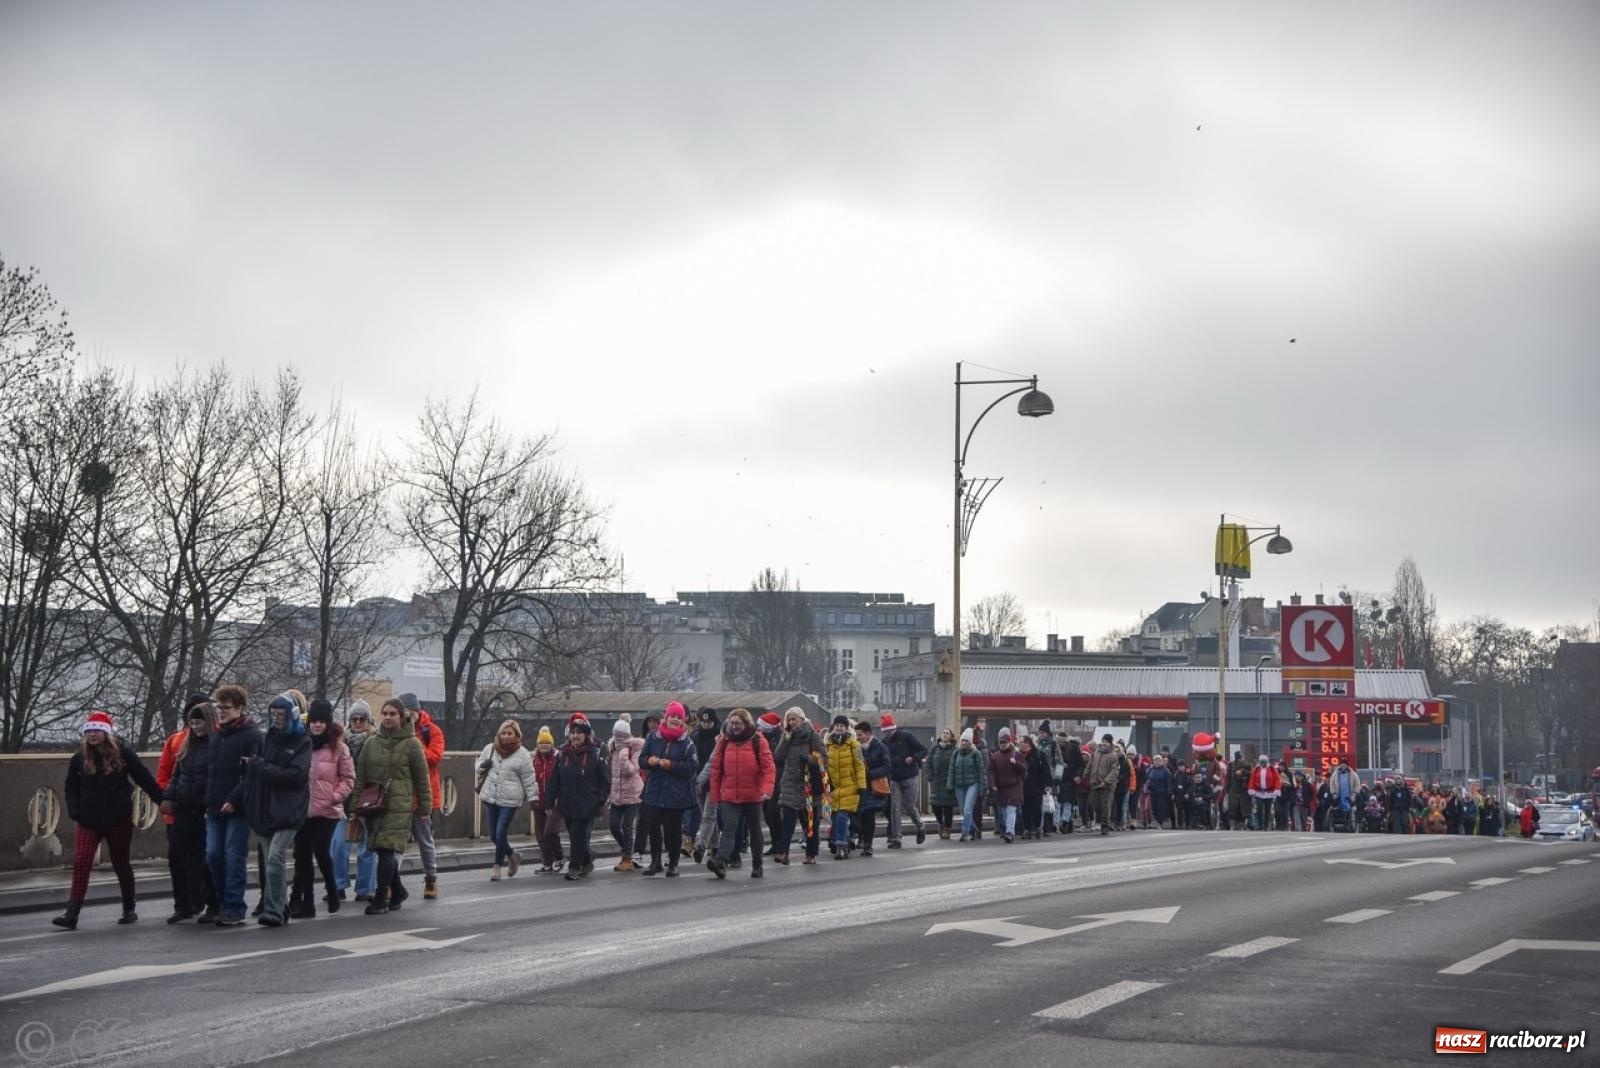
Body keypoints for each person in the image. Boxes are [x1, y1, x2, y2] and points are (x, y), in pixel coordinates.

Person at [52, 711, 164, 930]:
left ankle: (129, 908)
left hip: (118, 818)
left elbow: (143, 778)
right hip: (88, 819)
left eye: (97, 731)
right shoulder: (79, 758)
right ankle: (72, 913)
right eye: (89, 731)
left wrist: (162, 801)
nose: (92, 735)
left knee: (120, 863)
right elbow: (71, 787)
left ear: (106, 733)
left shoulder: (123, 754)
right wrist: (74, 810)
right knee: (81, 862)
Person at [242, 692, 312, 927]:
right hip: (265, 808)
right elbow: (253, 774)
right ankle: (279, 907)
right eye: (273, 715)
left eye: (280, 715)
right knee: (270, 861)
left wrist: (261, 767)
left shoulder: (303, 742)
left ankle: (274, 908)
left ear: (291, 716)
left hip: (289, 809)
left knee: (275, 857)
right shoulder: (266, 739)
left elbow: (296, 776)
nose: (276, 720)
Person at [357, 697, 431, 914]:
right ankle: (398, 891)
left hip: (399, 805)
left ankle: (381, 898)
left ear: (402, 717)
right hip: (374, 805)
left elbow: (422, 779)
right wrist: (355, 807)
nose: (388, 718)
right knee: (380, 849)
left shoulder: (412, 744)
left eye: (393, 714)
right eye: (385, 713)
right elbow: (361, 777)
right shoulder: (371, 742)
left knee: (387, 849)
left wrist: (425, 808)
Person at [204, 684, 262, 926]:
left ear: (240, 708)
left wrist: (234, 799)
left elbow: (251, 774)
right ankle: (221, 901)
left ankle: (235, 906)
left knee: (233, 856)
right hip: (215, 806)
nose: (221, 712)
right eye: (219, 707)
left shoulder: (251, 735)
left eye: (226, 708)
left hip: (238, 808)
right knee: (213, 855)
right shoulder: (217, 735)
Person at [290, 699, 354, 917]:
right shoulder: (302, 744)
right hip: (303, 808)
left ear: (327, 723)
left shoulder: (340, 748)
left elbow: (348, 779)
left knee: (321, 851)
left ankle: (333, 890)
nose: (317, 725)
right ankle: (308, 902)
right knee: (303, 856)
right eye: (313, 721)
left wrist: (335, 797)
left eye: (321, 722)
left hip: (327, 810)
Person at [160, 699, 217, 923]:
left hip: (204, 808)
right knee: (176, 856)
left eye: (200, 722)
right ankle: (182, 904)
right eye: (193, 722)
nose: (195, 727)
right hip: (183, 806)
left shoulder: (215, 745)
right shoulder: (186, 745)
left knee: (205, 858)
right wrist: (168, 797)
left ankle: (213, 902)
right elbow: (176, 774)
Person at [706, 708, 776, 879]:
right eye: (732, 723)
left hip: (753, 794)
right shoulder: (724, 742)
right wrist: (716, 795)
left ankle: (757, 864)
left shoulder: (758, 740)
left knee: (754, 830)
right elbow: (716, 770)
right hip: (730, 794)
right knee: (728, 827)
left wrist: (767, 789)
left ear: (746, 724)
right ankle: (721, 861)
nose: (735, 726)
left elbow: (769, 768)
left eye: (738, 723)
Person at [546, 716, 610, 882]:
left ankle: (574, 867)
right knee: (574, 834)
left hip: (587, 802)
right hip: (567, 801)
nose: (575, 736)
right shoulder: (562, 755)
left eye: (579, 733)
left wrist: (600, 799)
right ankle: (587, 860)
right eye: (573, 733)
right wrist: (550, 800)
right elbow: (555, 780)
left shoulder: (595, 754)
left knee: (578, 834)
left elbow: (605, 781)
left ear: (586, 735)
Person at [639, 703, 698, 876]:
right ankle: (655, 861)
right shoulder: (653, 737)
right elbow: (641, 759)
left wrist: (671, 765)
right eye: (673, 716)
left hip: (676, 792)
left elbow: (691, 766)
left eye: (679, 718)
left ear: (683, 720)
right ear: (666, 717)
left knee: (673, 829)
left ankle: (673, 862)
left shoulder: (687, 742)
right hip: (655, 789)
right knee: (653, 826)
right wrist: (648, 761)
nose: (675, 720)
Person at [399, 693, 446, 900]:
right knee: (396, 841)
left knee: (425, 840)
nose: (410, 716)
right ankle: (391, 879)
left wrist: (413, 750)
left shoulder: (431, 731)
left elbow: (434, 757)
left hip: (425, 794)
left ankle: (431, 878)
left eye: (411, 712)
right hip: (401, 794)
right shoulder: (397, 731)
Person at [477, 718, 536, 880]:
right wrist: (483, 765)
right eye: (503, 733)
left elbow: (529, 778)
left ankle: (497, 867)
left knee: (501, 832)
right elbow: (478, 765)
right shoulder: (490, 748)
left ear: (517, 734)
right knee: (494, 836)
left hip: (510, 799)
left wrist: (533, 798)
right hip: (491, 796)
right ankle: (512, 856)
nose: (506, 736)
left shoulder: (523, 754)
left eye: (509, 733)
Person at [773, 707, 827, 864]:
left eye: (794, 719)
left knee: (810, 823)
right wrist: (786, 738)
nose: (791, 722)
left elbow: (824, 757)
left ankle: (811, 854)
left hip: (809, 784)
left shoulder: (813, 736)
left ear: (802, 720)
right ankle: (783, 852)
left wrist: (810, 759)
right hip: (791, 783)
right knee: (787, 820)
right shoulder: (787, 737)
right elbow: (778, 756)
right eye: (789, 720)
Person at [337, 700, 377, 900]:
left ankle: (365, 889)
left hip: (368, 800)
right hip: (343, 801)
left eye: (362, 719)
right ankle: (337, 886)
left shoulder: (376, 741)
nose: (358, 723)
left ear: (369, 722)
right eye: (354, 719)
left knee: (367, 849)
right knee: (337, 847)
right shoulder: (339, 743)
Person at [880, 714, 927, 848]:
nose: (887, 734)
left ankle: (920, 826)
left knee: (909, 807)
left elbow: (923, 750)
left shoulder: (907, 737)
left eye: (889, 731)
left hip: (910, 776)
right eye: (885, 732)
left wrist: (913, 757)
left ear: (894, 728)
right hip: (894, 778)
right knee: (895, 808)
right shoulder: (884, 743)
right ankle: (896, 838)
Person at [605, 717, 645, 872]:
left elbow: (632, 770)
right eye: (616, 736)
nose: (618, 740)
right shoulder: (612, 747)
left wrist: (623, 755)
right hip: (617, 795)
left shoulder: (634, 748)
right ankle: (628, 850)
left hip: (633, 795)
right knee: (614, 826)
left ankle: (627, 858)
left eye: (620, 736)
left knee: (627, 826)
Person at [824, 715, 866, 858]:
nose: (839, 728)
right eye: (837, 725)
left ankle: (841, 846)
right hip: (834, 787)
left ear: (846, 727)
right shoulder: (828, 744)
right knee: (835, 818)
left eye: (842, 725)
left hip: (850, 785)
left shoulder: (853, 744)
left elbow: (860, 765)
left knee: (842, 816)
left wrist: (862, 786)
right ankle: (846, 840)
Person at [531, 727, 566, 874]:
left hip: (554, 802)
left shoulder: (558, 758)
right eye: (541, 743)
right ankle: (547, 863)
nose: (544, 746)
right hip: (538, 801)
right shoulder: (535, 760)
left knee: (550, 832)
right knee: (540, 835)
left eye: (547, 743)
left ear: (551, 744)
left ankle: (559, 857)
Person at [854, 720, 892, 856]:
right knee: (859, 815)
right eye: (856, 735)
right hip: (858, 786)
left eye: (860, 735)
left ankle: (867, 845)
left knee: (868, 815)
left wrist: (871, 774)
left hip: (873, 787)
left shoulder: (880, 747)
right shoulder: (854, 747)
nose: (858, 738)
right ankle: (860, 838)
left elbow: (887, 767)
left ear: (868, 733)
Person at [987, 727, 1027, 843]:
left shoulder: (1016, 754)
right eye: (1001, 742)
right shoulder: (995, 756)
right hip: (1001, 788)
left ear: (1009, 742)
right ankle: (1007, 829)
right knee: (1003, 810)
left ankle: (1010, 832)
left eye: (1005, 742)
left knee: (1010, 809)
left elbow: (1024, 768)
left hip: (1014, 787)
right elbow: (991, 771)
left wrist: (1016, 764)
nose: (1003, 744)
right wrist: (992, 784)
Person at [947, 728, 987, 842]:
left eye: (966, 741)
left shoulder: (976, 754)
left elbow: (981, 771)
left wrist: (981, 786)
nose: (964, 743)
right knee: (964, 811)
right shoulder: (956, 753)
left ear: (970, 742)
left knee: (968, 809)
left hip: (972, 784)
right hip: (959, 785)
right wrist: (950, 784)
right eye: (963, 740)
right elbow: (951, 769)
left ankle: (965, 832)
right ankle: (974, 828)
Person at [756, 711, 786, 855]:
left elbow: (778, 757)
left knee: (773, 811)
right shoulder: (760, 738)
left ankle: (780, 842)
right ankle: (776, 842)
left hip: (778, 777)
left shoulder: (780, 738)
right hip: (765, 779)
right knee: (768, 813)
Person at [926, 727, 958, 840]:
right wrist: (930, 776)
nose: (945, 735)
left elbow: (956, 765)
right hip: (936, 782)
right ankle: (940, 823)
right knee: (935, 805)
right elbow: (928, 762)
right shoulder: (934, 748)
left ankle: (947, 829)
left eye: (947, 733)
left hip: (948, 782)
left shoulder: (954, 750)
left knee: (948, 806)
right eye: (943, 733)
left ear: (950, 736)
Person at [1087, 734, 1121, 836]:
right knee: (1095, 805)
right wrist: (1085, 774)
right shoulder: (1096, 753)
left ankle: (1105, 826)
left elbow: (1114, 771)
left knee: (1105, 807)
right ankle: (1100, 820)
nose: (1104, 743)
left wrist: (1106, 782)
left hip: (1107, 786)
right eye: (1103, 741)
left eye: (1106, 741)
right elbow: (1090, 764)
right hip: (1095, 783)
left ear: (1110, 743)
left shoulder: (1113, 756)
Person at [1019, 735, 1050, 839]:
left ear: (1028, 743)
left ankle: (1037, 828)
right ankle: (1027, 830)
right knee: (1025, 809)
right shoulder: (1018, 755)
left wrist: (1048, 784)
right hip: (1023, 786)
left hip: (1036, 786)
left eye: (1022, 742)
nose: (1021, 744)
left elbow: (1046, 770)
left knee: (1036, 808)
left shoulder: (1039, 754)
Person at [1060, 736, 1085, 833]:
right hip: (1061, 779)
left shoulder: (1074, 749)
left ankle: (1064, 823)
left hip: (1071, 779)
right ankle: (1069, 824)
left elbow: (1081, 764)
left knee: (1067, 802)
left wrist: (1078, 775)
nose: (1060, 743)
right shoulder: (1057, 749)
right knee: (1064, 802)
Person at [1146, 754, 1173, 830]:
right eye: (1155, 760)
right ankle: (1157, 821)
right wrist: (1148, 785)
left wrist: (1169, 792)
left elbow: (1168, 782)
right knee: (1154, 807)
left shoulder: (1165, 770)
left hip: (1162, 792)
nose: (1157, 762)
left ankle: (1160, 822)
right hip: (1153, 792)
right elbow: (1147, 779)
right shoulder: (1151, 769)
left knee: (1160, 807)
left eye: (1158, 760)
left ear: (1161, 761)